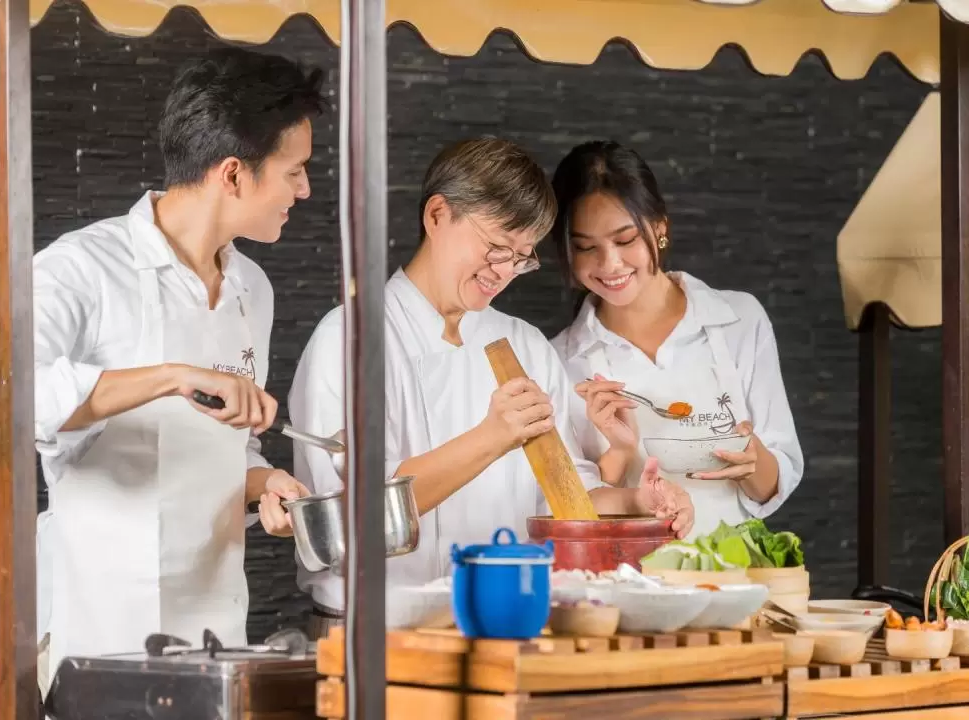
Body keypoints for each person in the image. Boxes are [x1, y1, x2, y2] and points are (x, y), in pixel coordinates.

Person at [0, 48, 326, 695]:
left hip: (216, 629)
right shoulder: (81, 269)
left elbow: (218, 448)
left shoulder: (254, 287)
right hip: (101, 631)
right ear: (233, 175)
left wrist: (265, 484)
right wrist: (172, 375)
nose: (304, 190)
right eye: (295, 171)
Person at [289, 137, 695, 638]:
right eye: (496, 247)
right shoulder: (351, 338)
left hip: (504, 625)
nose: (504, 272)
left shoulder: (522, 343)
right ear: (437, 215)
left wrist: (637, 501)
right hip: (374, 636)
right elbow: (356, 518)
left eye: (521, 258)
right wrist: (491, 436)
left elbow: (562, 493)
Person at [549, 140, 804, 538]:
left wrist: (753, 460)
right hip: (626, 581)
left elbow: (776, 480)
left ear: (660, 227)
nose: (609, 264)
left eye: (625, 239)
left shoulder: (737, 320)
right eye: (586, 248)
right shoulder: (561, 358)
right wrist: (619, 452)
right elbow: (570, 506)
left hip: (735, 574)